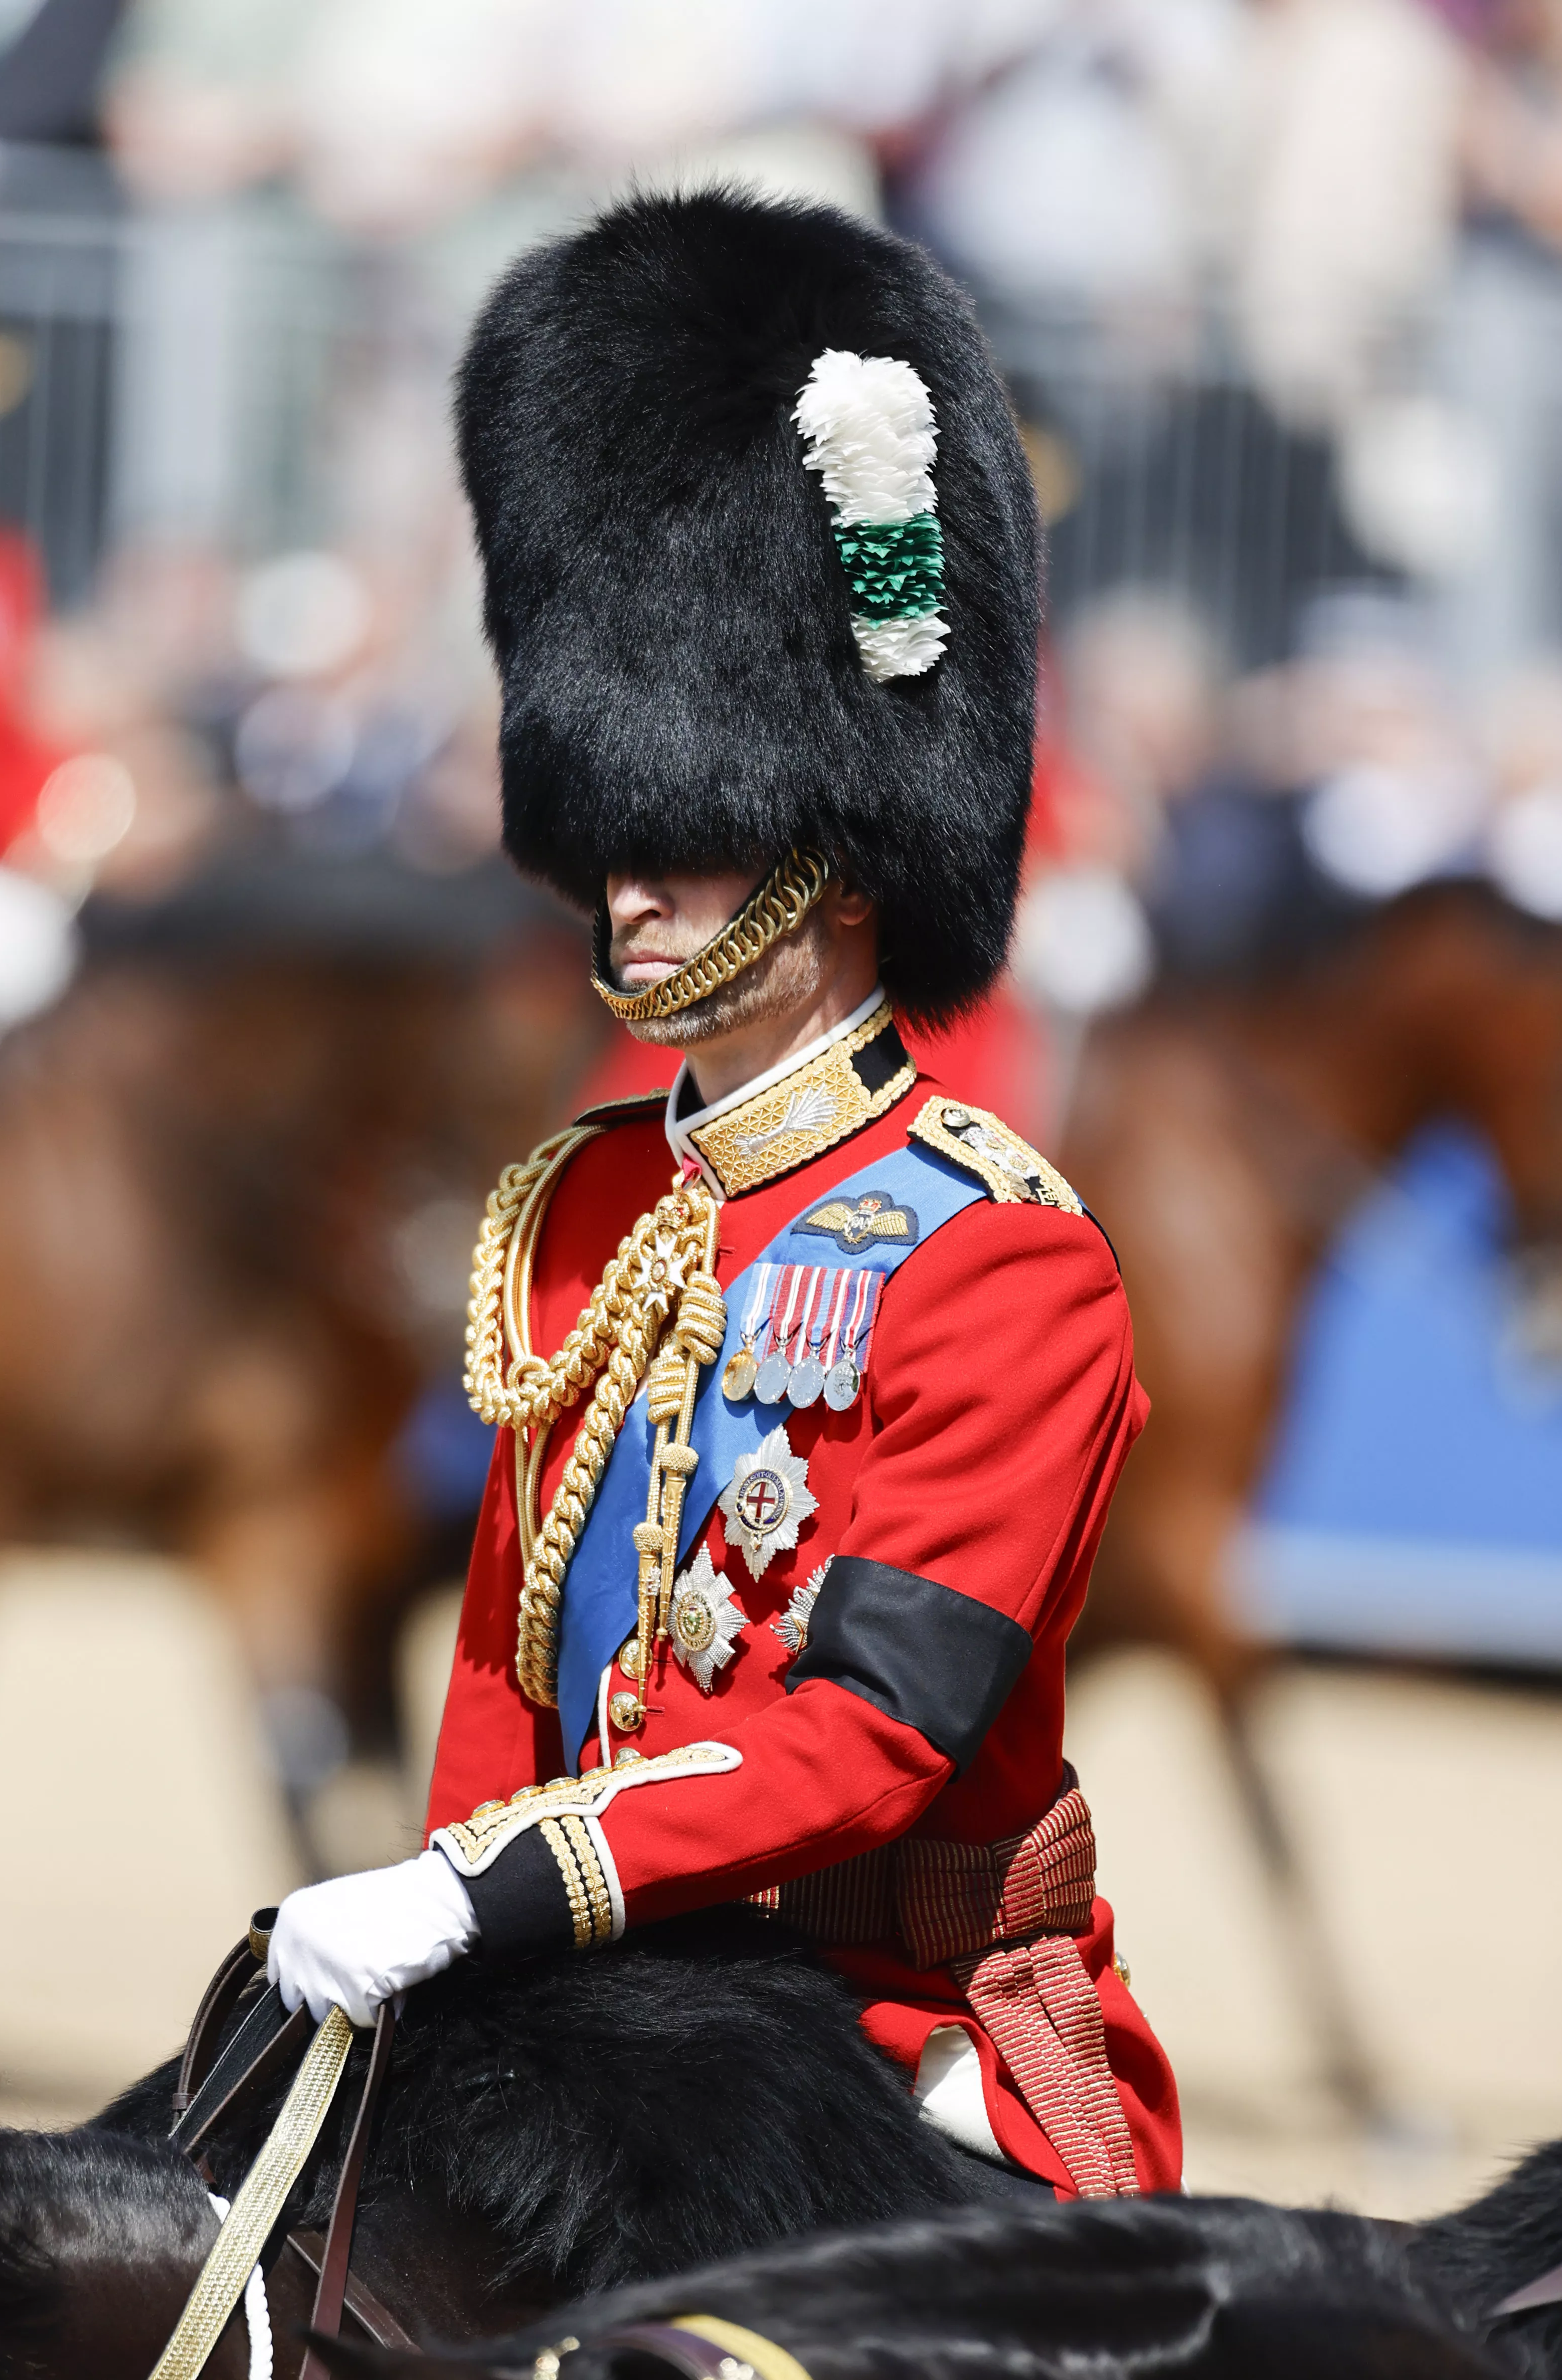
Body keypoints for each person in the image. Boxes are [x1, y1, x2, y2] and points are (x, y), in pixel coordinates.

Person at [268, 188, 1181, 2197]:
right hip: (592, 1994)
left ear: (837, 862)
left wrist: (499, 1895)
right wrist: (452, 1902)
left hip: (880, 2044)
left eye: (687, 834)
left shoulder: (999, 1256)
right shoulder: (588, 1201)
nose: (629, 882)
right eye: (618, 831)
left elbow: (869, 1742)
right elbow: (514, 1667)